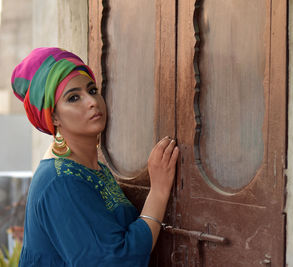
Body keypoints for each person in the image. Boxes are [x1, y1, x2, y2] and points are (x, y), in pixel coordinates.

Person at [11, 47, 179, 266]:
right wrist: (158, 191)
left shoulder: (93, 168)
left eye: (92, 90)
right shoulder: (61, 181)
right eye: (73, 98)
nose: (91, 102)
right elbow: (113, 261)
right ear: (52, 115)